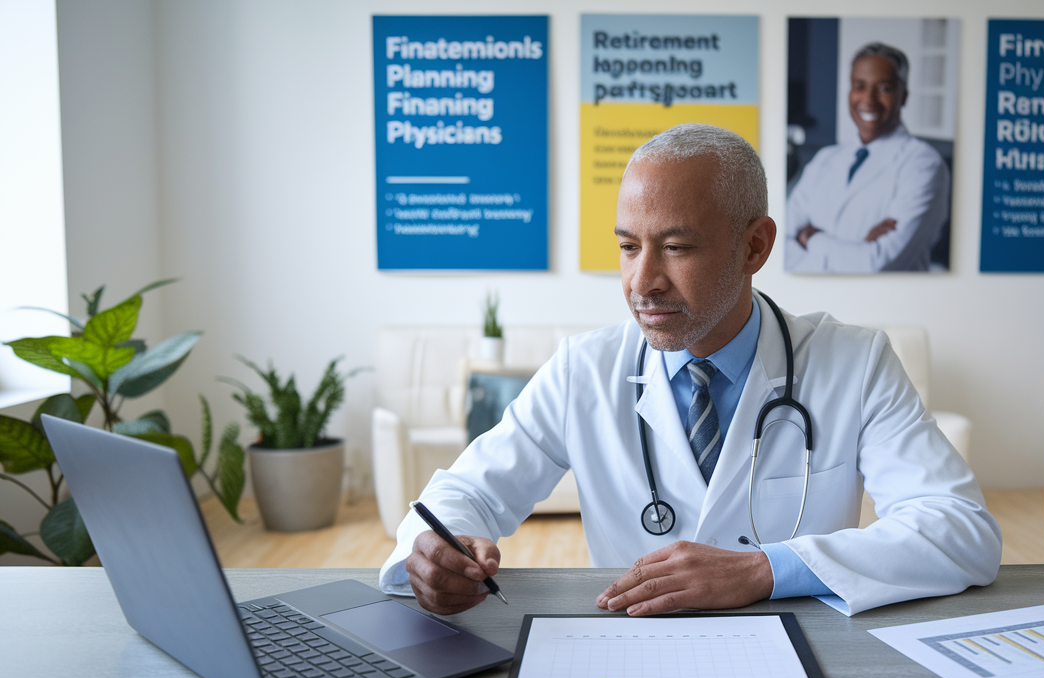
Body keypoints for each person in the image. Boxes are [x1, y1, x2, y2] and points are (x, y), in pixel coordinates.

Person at [379, 123, 999, 617]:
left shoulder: (854, 363)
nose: (642, 282)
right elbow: (466, 493)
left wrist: (766, 570)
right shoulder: (585, 370)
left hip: (809, 650)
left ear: (755, 246)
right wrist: (436, 550)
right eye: (628, 246)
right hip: (630, 649)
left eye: (676, 248)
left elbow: (960, 530)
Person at [785, 42, 950, 273]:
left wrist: (811, 238)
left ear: (904, 96)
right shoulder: (824, 159)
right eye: (860, 86)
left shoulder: (923, 164)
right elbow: (781, 247)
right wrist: (856, 252)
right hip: (816, 302)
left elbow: (877, 263)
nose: (869, 99)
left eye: (884, 88)